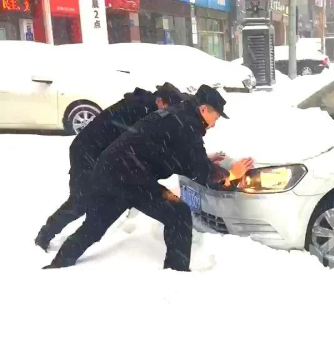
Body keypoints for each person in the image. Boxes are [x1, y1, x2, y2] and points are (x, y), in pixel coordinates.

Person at [44, 85, 254, 271]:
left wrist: (204, 160)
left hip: (110, 170)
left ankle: (60, 263)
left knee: (95, 226)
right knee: (178, 213)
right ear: (204, 109)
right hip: (132, 178)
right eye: (215, 117)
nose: (215, 123)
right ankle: (176, 274)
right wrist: (231, 175)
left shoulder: (179, 115)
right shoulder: (188, 125)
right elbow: (200, 172)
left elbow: (181, 156)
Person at [34, 83, 185, 252]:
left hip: (100, 151)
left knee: (95, 199)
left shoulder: (146, 105)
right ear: (160, 101)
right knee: (80, 201)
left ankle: (75, 238)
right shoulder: (140, 109)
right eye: (169, 108)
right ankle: (45, 236)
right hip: (86, 151)